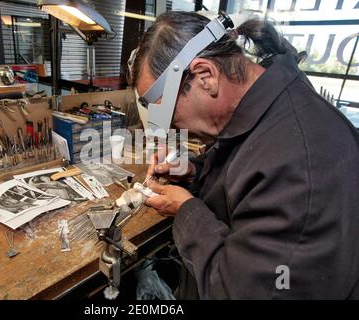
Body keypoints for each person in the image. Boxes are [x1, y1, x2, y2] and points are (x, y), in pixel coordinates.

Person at [131, 12, 359, 299]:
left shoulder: (299, 167)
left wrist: (187, 212)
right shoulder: (268, 113)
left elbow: (239, 291)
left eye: (166, 114)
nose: (170, 128)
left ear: (205, 76)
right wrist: (195, 172)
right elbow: (243, 173)